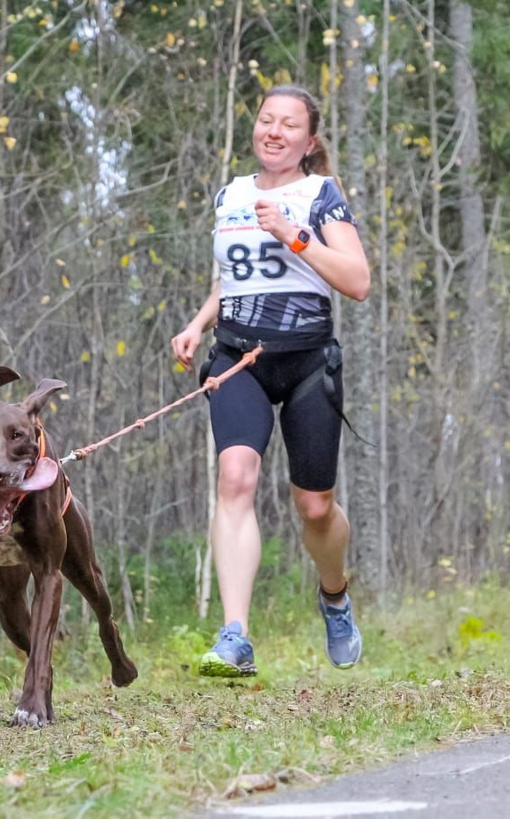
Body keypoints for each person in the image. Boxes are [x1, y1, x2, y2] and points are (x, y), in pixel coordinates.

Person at [171, 85, 370, 677]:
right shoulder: (230, 195)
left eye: (289, 125)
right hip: (239, 360)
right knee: (235, 477)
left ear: (309, 141)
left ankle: (334, 595)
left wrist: (293, 234)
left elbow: (357, 281)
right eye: (266, 120)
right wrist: (198, 323)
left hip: (308, 362)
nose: (274, 131)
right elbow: (233, 278)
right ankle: (235, 636)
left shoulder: (321, 196)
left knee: (314, 506)